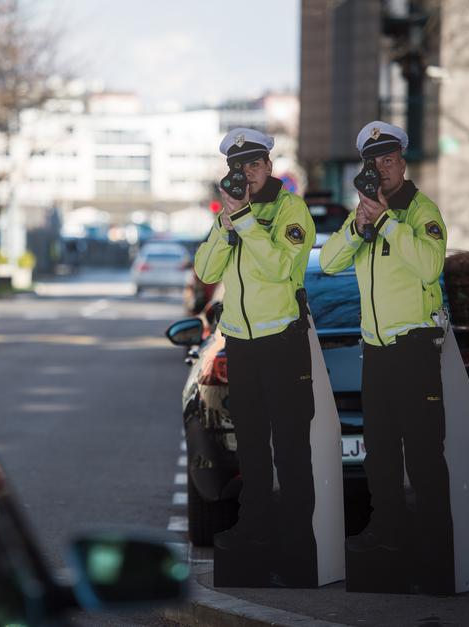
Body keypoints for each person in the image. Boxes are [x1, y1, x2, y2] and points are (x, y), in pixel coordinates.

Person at [319, 121, 452, 591]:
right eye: (373, 162)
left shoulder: (420, 210)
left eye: (389, 159)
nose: (382, 168)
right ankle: (388, 532)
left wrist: (389, 222)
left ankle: (438, 550)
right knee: (380, 456)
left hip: (414, 349)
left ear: (402, 161)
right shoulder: (366, 212)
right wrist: (359, 225)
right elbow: (330, 261)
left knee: (423, 456)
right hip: (373, 351)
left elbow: (431, 266)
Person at [194, 128, 318, 576]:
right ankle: (256, 527)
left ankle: (297, 536)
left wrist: (245, 221)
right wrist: (226, 229)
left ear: (268, 165)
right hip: (241, 343)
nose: (246, 173)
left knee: (289, 444)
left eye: (254, 165)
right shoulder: (230, 212)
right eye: (238, 167)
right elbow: (206, 269)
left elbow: (282, 266)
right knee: (250, 446)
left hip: (281, 343)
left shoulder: (291, 209)